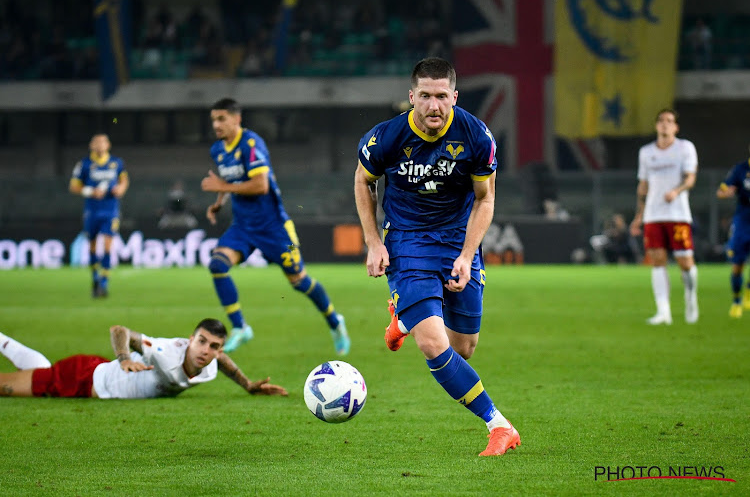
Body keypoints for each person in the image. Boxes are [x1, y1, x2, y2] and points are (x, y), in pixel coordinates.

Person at [353, 57, 520, 457]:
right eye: (424, 96)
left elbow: (485, 198)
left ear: (455, 97)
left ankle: (402, 313)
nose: (433, 105)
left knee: (463, 348)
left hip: (456, 241)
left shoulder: (477, 137)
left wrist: (466, 255)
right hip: (407, 241)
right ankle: (499, 425)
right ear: (411, 97)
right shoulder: (386, 137)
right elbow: (364, 180)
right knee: (433, 344)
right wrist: (374, 243)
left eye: (441, 96)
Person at [201, 98, 349, 355]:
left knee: (299, 281)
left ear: (237, 118)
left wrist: (222, 189)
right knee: (217, 264)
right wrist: (219, 202)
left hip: (274, 228)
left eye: (221, 118)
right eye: (213, 119)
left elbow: (261, 185)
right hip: (243, 226)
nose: (216, 124)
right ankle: (240, 327)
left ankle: (335, 322)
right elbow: (229, 180)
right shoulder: (218, 149)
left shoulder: (251, 144)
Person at [0, 318, 288, 398]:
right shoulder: (165, 353)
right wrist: (125, 357)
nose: (206, 351)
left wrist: (247, 384)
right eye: (201, 341)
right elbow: (119, 329)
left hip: (94, 376)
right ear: (190, 339)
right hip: (84, 379)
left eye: (214, 346)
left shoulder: (210, 364)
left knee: (40, 372)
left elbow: (223, 362)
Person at [629, 109, 699, 325]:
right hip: (653, 215)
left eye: (669, 121)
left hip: (677, 214)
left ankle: (690, 297)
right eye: (661, 121)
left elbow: (690, 178)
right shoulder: (646, 152)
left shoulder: (685, 148)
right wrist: (639, 215)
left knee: (685, 262)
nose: (664, 125)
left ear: (676, 127)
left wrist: (676, 192)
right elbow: (644, 185)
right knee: (657, 261)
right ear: (656, 126)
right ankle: (663, 311)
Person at [69, 133, 129, 298]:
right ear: (91, 145)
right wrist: (90, 191)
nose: (100, 145)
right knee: (93, 246)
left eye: (102, 142)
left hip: (110, 211)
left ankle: (104, 283)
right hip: (92, 211)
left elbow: (124, 180)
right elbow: (73, 186)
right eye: (96, 142)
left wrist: (121, 189)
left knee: (108, 245)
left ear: (108, 145)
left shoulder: (116, 163)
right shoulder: (84, 164)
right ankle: (95, 278)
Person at [716, 152, 750, 318]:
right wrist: (726, 193)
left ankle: (749, 291)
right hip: (743, 223)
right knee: (737, 266)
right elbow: (721, 191)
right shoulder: (740, 169)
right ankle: (736, 301)